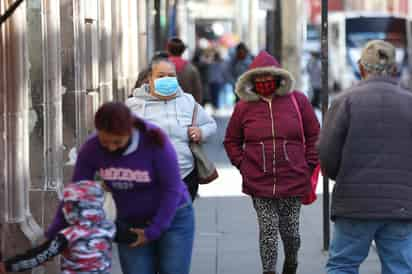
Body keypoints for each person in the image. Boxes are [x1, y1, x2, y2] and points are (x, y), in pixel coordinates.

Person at [46, 102, 195, 274]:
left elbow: (172, 188)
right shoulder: (92, 148)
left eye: (117, 142)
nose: (111, 147)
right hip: (130, 223)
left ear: (130, 131)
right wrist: (54, 234)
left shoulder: (154, 140)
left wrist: (153, 231)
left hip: (173, 217)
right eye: (105, 142)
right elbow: (75, 194)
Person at [318, 40, 412, 274]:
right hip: (400, 204)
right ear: (393, 68)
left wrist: (341, 175)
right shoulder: (409, 102)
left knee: (343, 265)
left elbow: (327, 155)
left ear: (361, 67)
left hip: (354, 202)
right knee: (400, 267)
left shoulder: (345, 101)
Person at [224, 51, 320, 274]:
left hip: (294, 178)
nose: (264, 83)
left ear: (279, 79)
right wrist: (243, 165)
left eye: (268, 78)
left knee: (291, 233)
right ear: (251, 81)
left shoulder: (298, 101)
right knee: (268, 230)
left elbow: (315, 135)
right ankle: (269, 271)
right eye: (258, 79)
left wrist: (308, 165)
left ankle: (291, 264)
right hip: (259, 181)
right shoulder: (243, 108)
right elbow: (231, 141)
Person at [126, 57, 217, 201]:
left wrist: (201, 132)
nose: (166, 79)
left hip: (185, 175)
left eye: (171, 76)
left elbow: (210, 125)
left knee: (180, 219)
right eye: (161, 76)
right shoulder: (133, 105)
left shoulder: (187, 101)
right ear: (150, 78)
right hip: (149, 177)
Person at [0, 181, 115, 274]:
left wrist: (8, 266)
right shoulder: (109, 228)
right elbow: (130, 237)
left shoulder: (68, 235)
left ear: (77, 207)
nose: (65, 209)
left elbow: (40, 256)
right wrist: (133, 235)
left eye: (68, 205)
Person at [167, 37, 203, 104]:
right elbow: (197, 92)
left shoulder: (159, 69)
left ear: (168, 49)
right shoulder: (192, 69)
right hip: (187, 108)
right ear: (183, 51)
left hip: (165, 108)